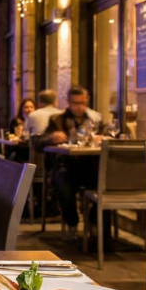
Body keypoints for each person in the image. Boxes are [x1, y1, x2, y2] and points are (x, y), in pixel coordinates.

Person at [37, 87, 105, 240]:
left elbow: (106, 135)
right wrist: (51, 138)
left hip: (92, 166)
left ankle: (93, 222)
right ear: (68, 102)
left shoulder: (95, 119)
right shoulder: (57, 120)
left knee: (107, 183)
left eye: (82, 102)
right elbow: (38, 143)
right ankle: (72, 222)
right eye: (75, 103)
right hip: (66, 166)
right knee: (64, 184)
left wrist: (102, 139)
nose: (79, 106)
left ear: (87, 100)